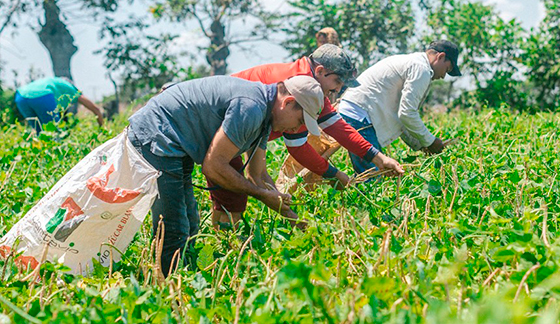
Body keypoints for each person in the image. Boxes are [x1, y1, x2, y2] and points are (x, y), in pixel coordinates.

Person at [128, 75, 324, 276]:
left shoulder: (266, 115)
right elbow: (213, 167)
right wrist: (261, 195)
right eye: (300, 120)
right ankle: (165, 288)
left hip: (177, 142)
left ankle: (182, 280)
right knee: (174, 228)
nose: (295, 129)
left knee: (190, 222)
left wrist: (292, 216)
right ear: (288, 102)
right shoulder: (252, 107)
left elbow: (258, 174)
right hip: (156, 134)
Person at [209, 44, 404, 229]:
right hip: (225, 124)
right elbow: (298, 147)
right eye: (337, 81)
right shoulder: (299, 92)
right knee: (231, 194)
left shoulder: (311, 90)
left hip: (245, 132)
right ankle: (225, 243)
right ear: (319, 71)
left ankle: (225, 240)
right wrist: (334, 174)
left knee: (250, 182)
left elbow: (338, 128)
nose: (338, 90)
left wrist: (379, 158)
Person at [336, 40, 462, 174]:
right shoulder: (421, 69)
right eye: (446, 69)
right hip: (360, 115)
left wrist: (422, 145)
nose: (443, 76)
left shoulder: (414, 63)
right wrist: (430, 142)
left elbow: (403, 118)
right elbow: (407, 114)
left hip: (357, 112)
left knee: (377, 173)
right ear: (440, 57)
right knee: (372, 177)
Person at [14, 76, 104, 132]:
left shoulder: (52, 81)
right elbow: (95, 108)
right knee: (54, 132)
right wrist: (102, 129)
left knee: (39, 133)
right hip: (43, 95)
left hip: (20, 96)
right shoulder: (69, 87)